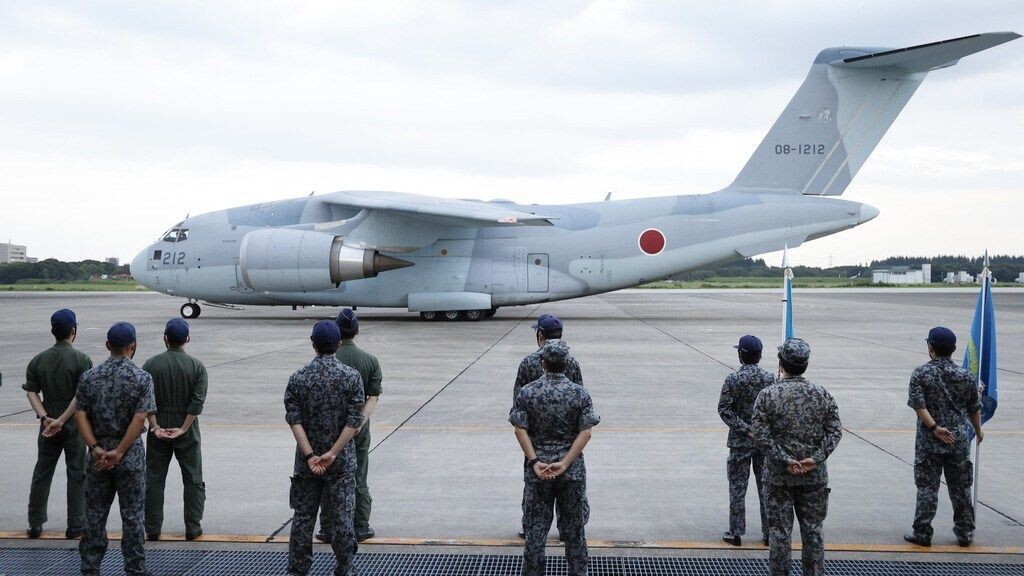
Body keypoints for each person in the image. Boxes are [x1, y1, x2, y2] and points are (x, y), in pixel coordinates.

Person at [751, 338, 842, 576]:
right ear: (806, 364)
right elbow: (834, 432)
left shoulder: (767, 395)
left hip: (778, 477)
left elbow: (761, 436)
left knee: (779, 533)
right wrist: (815, 458)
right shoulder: (822, 394)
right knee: (813, 531)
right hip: (814, 477)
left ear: (781, 363)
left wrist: (785, 460)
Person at [510, 340, 599, 576]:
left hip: (538, 472)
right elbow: (586, 431)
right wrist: (566, 462)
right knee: (574, 532)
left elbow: (520, 428)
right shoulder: (580, 393)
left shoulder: (527, 392)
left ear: (543, 363)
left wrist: (535, 461)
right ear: (567, 363)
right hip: (571, 472)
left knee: (536, 532)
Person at [74, 322, 156, 576]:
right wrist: (119, 452)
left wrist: (96, 448)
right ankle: (134, 567)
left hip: (98, 456)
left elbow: (80, 415)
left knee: (95, 513)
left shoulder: (89, 376)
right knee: (132, 515)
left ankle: (90, 566)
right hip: (128, 456)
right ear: (133, 346)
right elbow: (140, 418)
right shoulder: (142, 377)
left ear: (108, 345)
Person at [285, 320, 365, 576]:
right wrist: (333, 453)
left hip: (307, 463)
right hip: (340, 462)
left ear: (313, 345)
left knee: (303, 517)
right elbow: (354, 422)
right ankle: (345, 568)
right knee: (342, 518)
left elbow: (294, 420)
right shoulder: (351, 377)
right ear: (338, 344)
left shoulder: (298, 378)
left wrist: (310, 455)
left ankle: (298, 569)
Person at [903, 326, 983, 548]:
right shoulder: (966, 375)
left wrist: (935, 427)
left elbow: (919, 405)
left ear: (930, 347)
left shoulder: (921, 373)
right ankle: (965, 533)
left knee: (927, 488)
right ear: (953, 349)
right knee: (961, 488)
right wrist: (978, 430)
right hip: (957, 440)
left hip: (930, 440)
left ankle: (923, 533)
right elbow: (974, 407)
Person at [23, 308, 93, 539]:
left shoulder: (39, 359)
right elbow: (81, 395)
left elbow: (31, 392)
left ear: (53, 331)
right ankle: (76, 524)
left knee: (42, 470)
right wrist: (62, 420)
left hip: (48, 420)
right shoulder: (82, 359)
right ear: (73, 331)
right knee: (77, 472)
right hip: (73, 421)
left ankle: (35, 523)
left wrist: (46, 418)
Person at [514, 313, 583, 539]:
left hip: (536, 442)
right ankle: (568, 529)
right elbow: (580, 403)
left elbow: (518, 409)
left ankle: (531, 527)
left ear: (540, 336)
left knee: (534, 488)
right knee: (571, 489)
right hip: (567, 441)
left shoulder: (527, 363)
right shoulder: (571, 362)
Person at [317, 308, 382, 544]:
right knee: (358, 476)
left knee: (327, 476)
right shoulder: (370, 361)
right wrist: (359, 424)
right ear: (356, 331)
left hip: (329, 429)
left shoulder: (329, 360)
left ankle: (327, 527)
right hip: (359, 431)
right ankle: (361, 526)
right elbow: (372, 398)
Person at [142, 318, 209, 541]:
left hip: (158, 425)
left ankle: (152, 527)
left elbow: (146, 401)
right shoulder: (197, 366)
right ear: (187, 339)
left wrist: (155, 427)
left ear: (165, 339)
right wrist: (183, 428)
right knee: (192, 478)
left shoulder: (151, 364)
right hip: (186, 426)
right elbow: (197, 402)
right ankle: (192, 526)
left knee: (154, 478)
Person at [718, 334, 775, 547]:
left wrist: (745, 429)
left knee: (737, 487)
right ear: (759, 356)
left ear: (741, 355)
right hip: (764, 442)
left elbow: (724, 409)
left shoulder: (733, 379)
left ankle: (736, 532)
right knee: (766, 487)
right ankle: (769, 533)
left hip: (740, 442)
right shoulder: (770, 378)